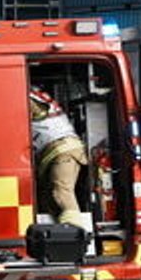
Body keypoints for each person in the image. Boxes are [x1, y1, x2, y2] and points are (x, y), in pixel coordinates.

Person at [28, 87, 88, 225]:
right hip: (58, 151)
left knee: (60, 192)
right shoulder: (33, 92)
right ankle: (61, 235)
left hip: (62, 149)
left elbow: (35, 110)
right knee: (47, 199)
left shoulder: (26, 96)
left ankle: (75, 234)